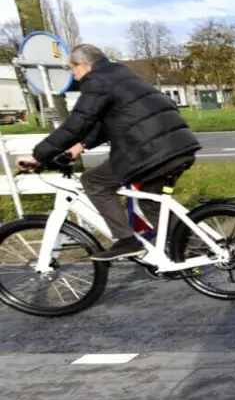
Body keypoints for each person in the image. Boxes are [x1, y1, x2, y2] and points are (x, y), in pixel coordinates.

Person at [17, 44, 202, 261]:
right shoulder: (122, 75)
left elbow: (78, 122)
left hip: (149, 151)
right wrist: (79, 147)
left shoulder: (97, 81)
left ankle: (127, 241)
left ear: (84, 65)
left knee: (94, 181)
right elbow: (112, 121)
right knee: (151, 202)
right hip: (178, 146)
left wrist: (38, 156)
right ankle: (199, 247)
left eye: (72, 69)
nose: (74, 76)